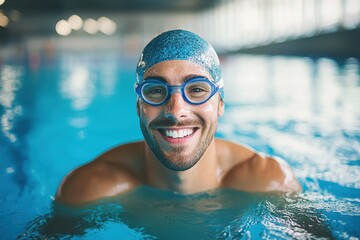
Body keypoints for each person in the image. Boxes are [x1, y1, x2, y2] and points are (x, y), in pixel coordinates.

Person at [56, 29, 301, 206]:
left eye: (196, 89)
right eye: (155, 91)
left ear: (220, 104)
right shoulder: (88, 188)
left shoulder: (270, 180)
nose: (176, 111)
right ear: (139, 106)